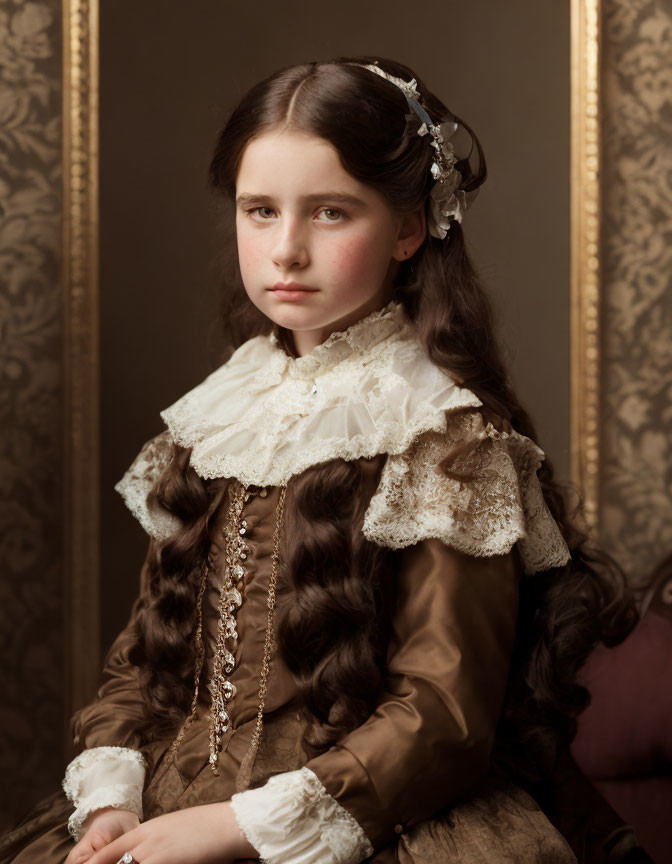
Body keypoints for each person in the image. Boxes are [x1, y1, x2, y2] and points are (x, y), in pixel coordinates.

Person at [0, 56, 654, 864]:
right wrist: (112, 802)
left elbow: (442, 712)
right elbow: (147, 662)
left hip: (369, 818)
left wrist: (238, 827)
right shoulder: (217, 416)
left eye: (332, 213)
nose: (287, 249)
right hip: (174, 808)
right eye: (260, 210)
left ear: (410, 228)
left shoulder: (442, 434)